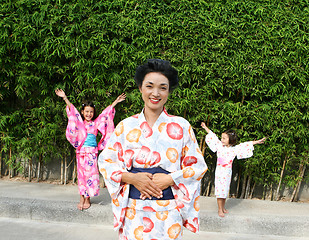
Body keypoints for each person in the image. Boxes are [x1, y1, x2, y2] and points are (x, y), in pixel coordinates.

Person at [98, 59, 208, 239]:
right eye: (149, 86)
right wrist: (132, 178)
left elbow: (198, 167)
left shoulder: (181, 126)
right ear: (141, 88)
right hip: (134, 209)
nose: (155, 93)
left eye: (163, 88)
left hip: (169, 210)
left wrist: (170, 179)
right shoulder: (126, 126)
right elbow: (106, 162)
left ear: (169, 91)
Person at [55, 88, 126, 210]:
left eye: (91, 112)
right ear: (82, 112)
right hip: (81, 151)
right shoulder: (79, 122)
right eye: (86, 111)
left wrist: (115, 102)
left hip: (92, 152)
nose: (89, 114)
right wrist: (64, 98)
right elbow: (73, 112)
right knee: (81, 175)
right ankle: (82, 197)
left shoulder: (96, 122)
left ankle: (88, 198)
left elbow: (105, 114)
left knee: (91, 175)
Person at [201, 122, 266, 217]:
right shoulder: (219, 146)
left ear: (230, 140)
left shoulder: (234, 149)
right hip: (220, 172)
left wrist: (256, 142)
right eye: (222, 138)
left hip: (227, 173)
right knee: (220, 191)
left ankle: (223, 207)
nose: (222, 140)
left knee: (224, 190)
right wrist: (205, 127)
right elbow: (212, 136)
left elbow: (245, 145)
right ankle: (220, 209)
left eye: (224, 138)